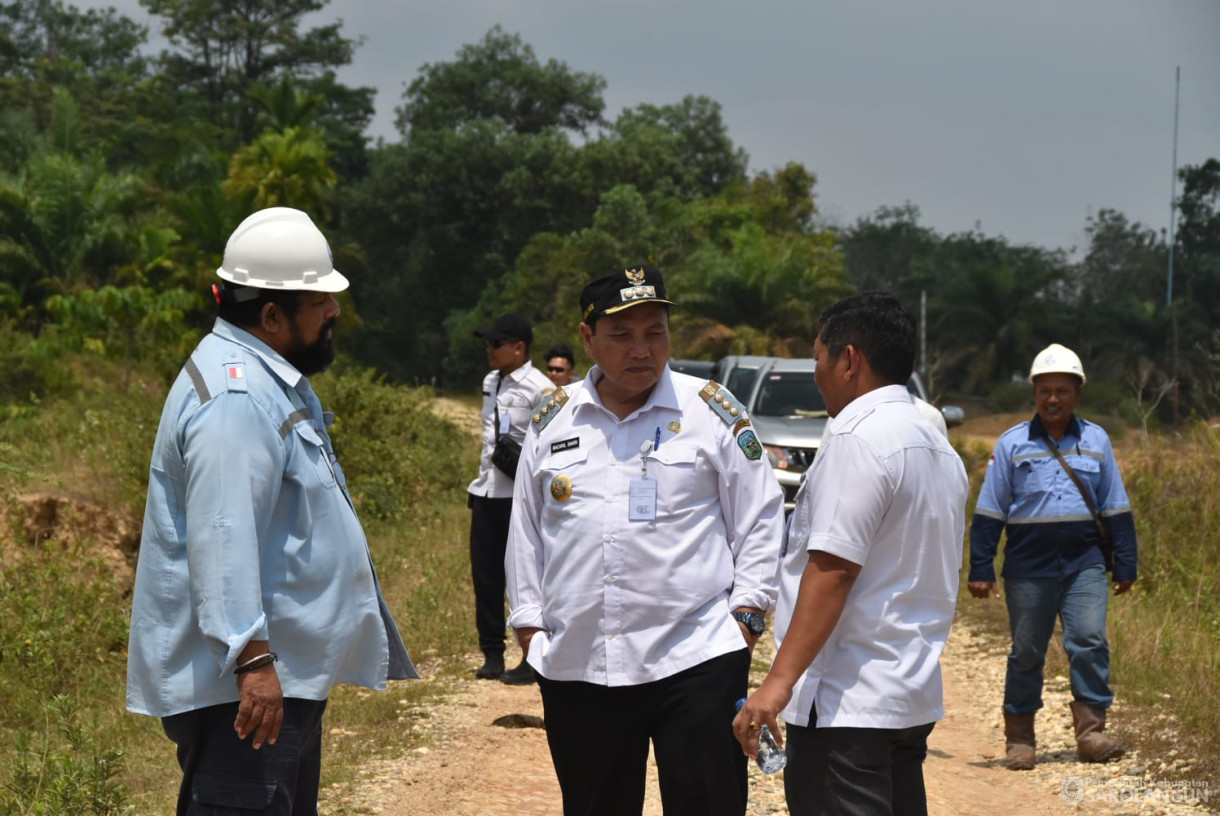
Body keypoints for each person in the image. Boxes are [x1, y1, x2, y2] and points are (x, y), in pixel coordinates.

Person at [126, 207, 417, 816]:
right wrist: (252, 661)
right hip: (250, 689)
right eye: (320, 302)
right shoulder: (235, 397)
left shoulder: (261, 380)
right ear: (270, 315)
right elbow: (222, 534)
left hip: (272, 679)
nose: (335, 312)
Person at [506, 264, 784, 816]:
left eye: (655, 332)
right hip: (581, 659)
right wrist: (530, 627)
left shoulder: (709, 410)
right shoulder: (552, 421)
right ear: (588, 339)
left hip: (697, 653)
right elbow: (526, 531)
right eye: (622, 335)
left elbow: (760, 517)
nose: (642, 350)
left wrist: (748, 617)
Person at [734, 292, 969, 816]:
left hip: (848, 703)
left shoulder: (857, 439)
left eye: (818, 356)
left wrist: (775, 686)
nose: (816, 372)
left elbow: (833, 571)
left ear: (849, 359)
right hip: (907, 696)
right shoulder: (938, 448)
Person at [967, 343, 1136, 770]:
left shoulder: (1097, 440)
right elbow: (989, 511)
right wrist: (982, 567)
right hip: (1029, 567)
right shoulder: (1011, 444)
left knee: (1089, 640)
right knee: (1026, 650)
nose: (1053, 399)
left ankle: (1091, 731)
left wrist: (1126, 563)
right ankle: (1020, 738)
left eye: (1062, 390)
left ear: (1077, 392)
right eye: (1045, 391)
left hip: (1085, 562)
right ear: (1035, 394)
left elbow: (1115, 505)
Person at [468, 312, 553, 684]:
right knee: (485, 575)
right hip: (487, 489)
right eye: (487, 343)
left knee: (526, 576)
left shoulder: (541, 387)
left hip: (520, 496)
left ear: (518, 348)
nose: (489, 349)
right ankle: (492, 652)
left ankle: (532, 655)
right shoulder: (491, 381)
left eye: (496, 343)